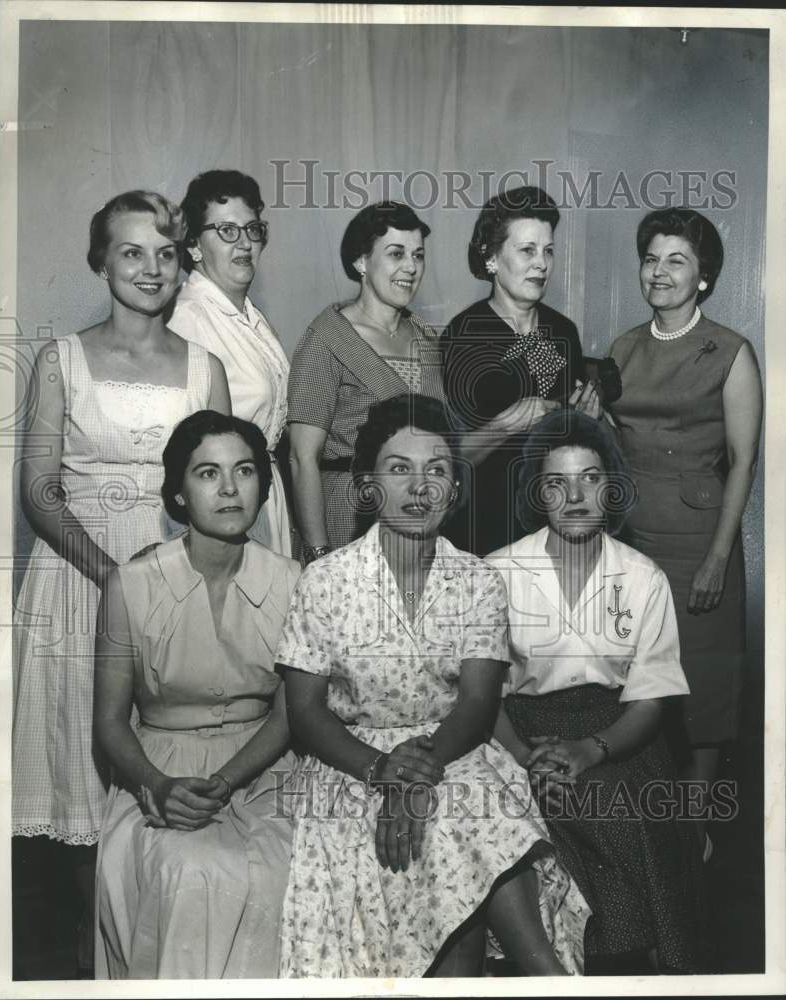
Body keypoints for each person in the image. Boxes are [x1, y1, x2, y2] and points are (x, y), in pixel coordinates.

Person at [276, 394, 590, 978]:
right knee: (456, 820)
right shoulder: (324, 581)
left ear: (455, 489)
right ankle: (543, 975)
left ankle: (541, 975)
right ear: (368, 486)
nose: (420, 487)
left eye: (437, 470)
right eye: (400, 469)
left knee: (467, 804)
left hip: (456, 749)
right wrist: (382, 772)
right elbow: (305, 713)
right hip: (351, 762)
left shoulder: (477, 580)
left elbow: (476, 705)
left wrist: (418, 774)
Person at [12, 191, 230, 970]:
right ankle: (86, 955)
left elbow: (224, 491)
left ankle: (148, 948)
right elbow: (39, 489)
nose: (150, 267)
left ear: (181, 267)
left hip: (175, 577)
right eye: (131, 251)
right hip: (81, 582)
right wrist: (112, 579)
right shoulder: (59, 359)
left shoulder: (205, 367)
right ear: (100, 260)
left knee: (161, 757)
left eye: (165, 253)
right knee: (82, 769)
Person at [486, 409, 705, 973]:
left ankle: (645, 967)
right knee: (559, 809)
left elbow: (650, 699)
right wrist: (525, 757)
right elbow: (481, 695)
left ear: (611, 488)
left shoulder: (642, 576)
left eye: (589, 478)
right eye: (558, 483)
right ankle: (571, 966)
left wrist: (589, 750)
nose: (575, 496)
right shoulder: (497, 573)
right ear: (539, 494)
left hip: (616, 732)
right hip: (517, 731)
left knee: (631, 814)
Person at [94, 410, 300, 978]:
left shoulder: (294, 582)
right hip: (158, 769)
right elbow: (109, 723)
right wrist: (155, 785)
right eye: (207, 473)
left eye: (245, 471)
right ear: (178, 494)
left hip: (264, 769)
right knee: (191, 870)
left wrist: (229, 780)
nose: (230, 488)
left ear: (264, 485)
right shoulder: (128, 586)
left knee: (291, 868)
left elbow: (291, 712)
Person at [607, 208, 762, 835]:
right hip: (632, 538)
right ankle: (646, 816)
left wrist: (719, 559)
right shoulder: (623, 347)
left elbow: (745, 461)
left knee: (702, 681)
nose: (660, 272)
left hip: (700, 541)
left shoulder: (730, 351)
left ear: (704, 277)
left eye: (677, 261)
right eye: (651, 258)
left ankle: (693, 821)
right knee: (635, 672)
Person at [441, 186, 597, 556]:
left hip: (553, 522)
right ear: (492, 258)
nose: (541, 263)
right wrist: (510, 423)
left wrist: (588, 424)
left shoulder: (563, 331)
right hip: (483, 523)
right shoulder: (463, 335)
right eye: (527, 250)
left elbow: (573, 437)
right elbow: (447, 456)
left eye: (548, 251)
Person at [287, 201, 446, 561]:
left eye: (418, 256)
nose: (411, 267)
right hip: (349, 514)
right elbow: (302, 457)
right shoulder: (326, 338)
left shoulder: (427, 340)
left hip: (418, 516)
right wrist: (318, 551)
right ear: (361, 262)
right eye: (396, 254)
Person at [169, 169, 292, 556]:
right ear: (193, 245)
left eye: (252, 230)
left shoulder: (252, 317)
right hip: (221, 503)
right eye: (226, 231)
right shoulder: (187, 319)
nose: (244, 243)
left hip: (261, 493)